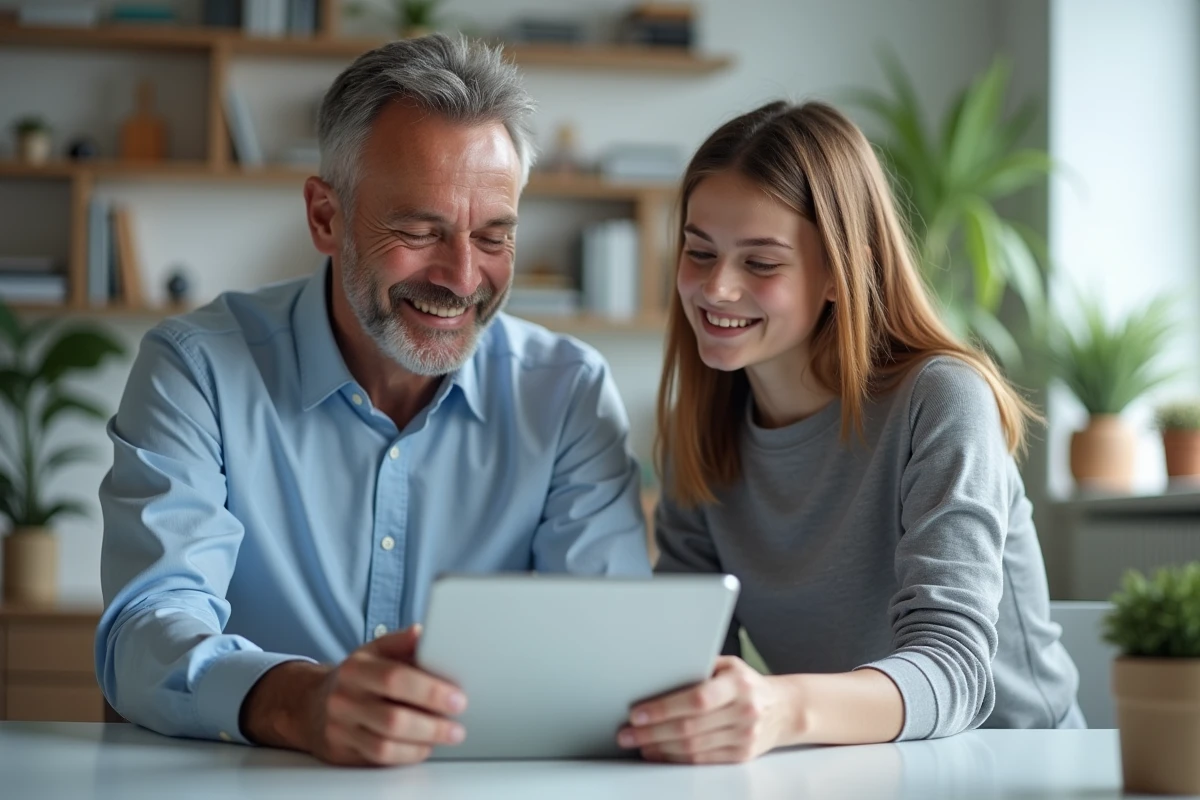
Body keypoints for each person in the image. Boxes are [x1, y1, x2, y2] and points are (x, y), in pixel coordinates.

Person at [95, 34, 651, 767]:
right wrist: (297, 701)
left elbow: (609, 650)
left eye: (493, 236)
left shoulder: (568, 390)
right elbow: (147, 625)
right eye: (420, 231)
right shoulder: (197, 370)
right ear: (325, 216)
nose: (461, 277)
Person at [617, 101, 1081, 764]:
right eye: (699, 253)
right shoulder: (702, 423)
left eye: (761, 263)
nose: (716, 288)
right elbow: (688, 652)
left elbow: (955, 671)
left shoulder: (942, 399)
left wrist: (781, 709)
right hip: (851, 768)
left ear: (840, 272)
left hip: (1016, 768)